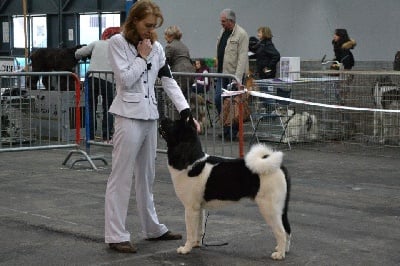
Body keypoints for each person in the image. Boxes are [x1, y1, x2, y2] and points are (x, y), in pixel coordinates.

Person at [104, 0, 198, 253]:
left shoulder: (156, 47)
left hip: (149, 116)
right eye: (147, 25)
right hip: (127, 116)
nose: (150, 30)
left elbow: (168, 80)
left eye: (154, 26)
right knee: (121, 177)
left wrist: (185, 110)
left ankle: (152, 228)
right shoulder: (117, 43)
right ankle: (115, 234)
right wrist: (142, 57)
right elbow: (124, 80)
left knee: (147, 176)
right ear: (133, 20)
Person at [75, 27, 120, 141]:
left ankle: (90, 136)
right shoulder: (119, 48)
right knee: (108, 108)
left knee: (90, 107)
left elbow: (78, 53)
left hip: (92, 78)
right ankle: (106, 136)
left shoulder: (97, 43)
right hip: (109, 80)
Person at [215, 8, 249, 140]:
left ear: (230, 21)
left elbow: (242, 57)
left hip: (233, 76)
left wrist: (238, 78)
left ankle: (232, 131)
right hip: (221, 74)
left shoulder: (241, 34)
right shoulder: (223, 32)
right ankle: (226, 127)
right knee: (219, 100)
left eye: (223, 21)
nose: (221, 23)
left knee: (234, 105)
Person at [164, 25, 195, 96]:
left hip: (179, 73)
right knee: (186, 98)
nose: (164, 37)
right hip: (190, 73)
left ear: (170, 35)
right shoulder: (184, 46)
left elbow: (166, 62)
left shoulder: (170, 46)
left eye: (166, 35)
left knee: (176, 96)